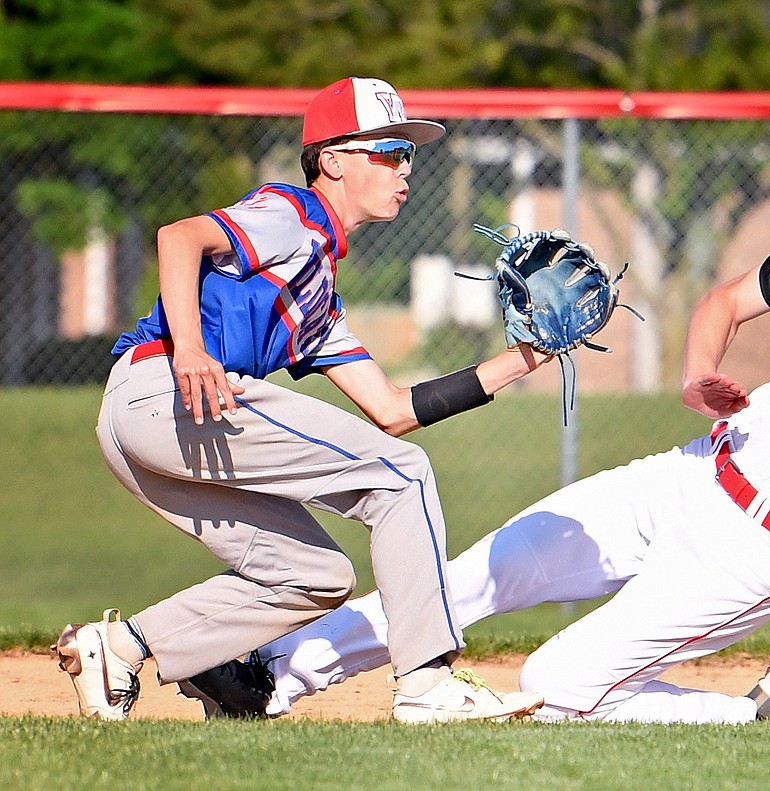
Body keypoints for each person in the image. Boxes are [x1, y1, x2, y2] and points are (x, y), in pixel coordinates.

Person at [181, 122, 770, 727]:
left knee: (555, 683)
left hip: (760, 547)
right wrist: (697, 373)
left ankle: (749, 718)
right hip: (688, 473)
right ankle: (264, 679)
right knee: (466, 576)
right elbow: (726, 300)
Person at [51, 76, 552, 724]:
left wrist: (526, 357)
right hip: (167, 390)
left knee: (315, 574)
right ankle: (428, 686)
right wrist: (191, 351)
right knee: (405, 476)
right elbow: (180, 237)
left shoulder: (318, 298)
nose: (405, 168)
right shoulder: (294, 216)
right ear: (333, 159)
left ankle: (117, 647)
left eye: (408, 154)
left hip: (159, 419)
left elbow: (395, 409)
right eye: (389, 150)